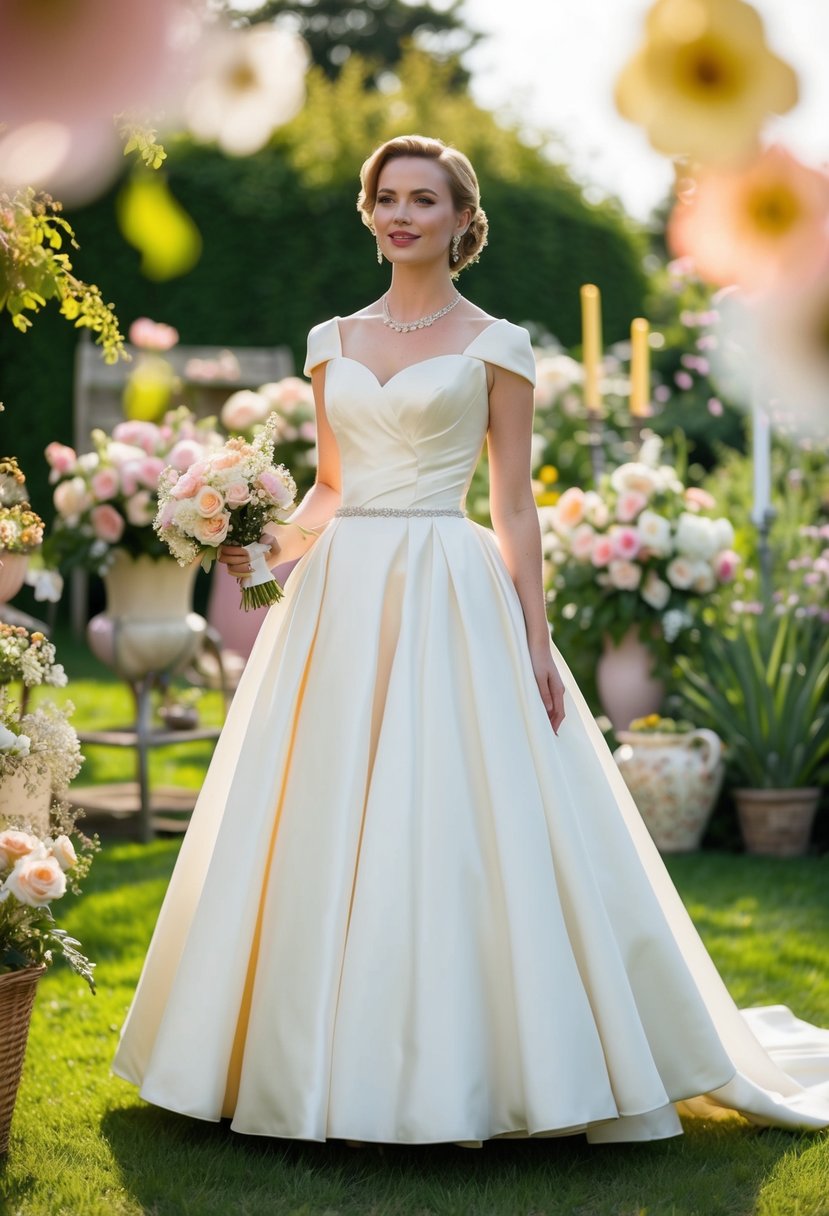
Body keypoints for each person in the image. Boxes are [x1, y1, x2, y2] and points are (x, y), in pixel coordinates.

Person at [112, 134, 829, 1146]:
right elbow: (328, 486)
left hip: (451, 582)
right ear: (369, 216)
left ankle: (485, 1066)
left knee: (450, 811)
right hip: (341, 596)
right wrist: (264, 553)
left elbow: (512, 504)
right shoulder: (332, 341)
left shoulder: (497, 343)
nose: (402, 214)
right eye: (387, 199)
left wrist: (535, 641)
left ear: (459, 220)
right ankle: (289, 1057)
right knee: (319, 814)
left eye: (424, 199)